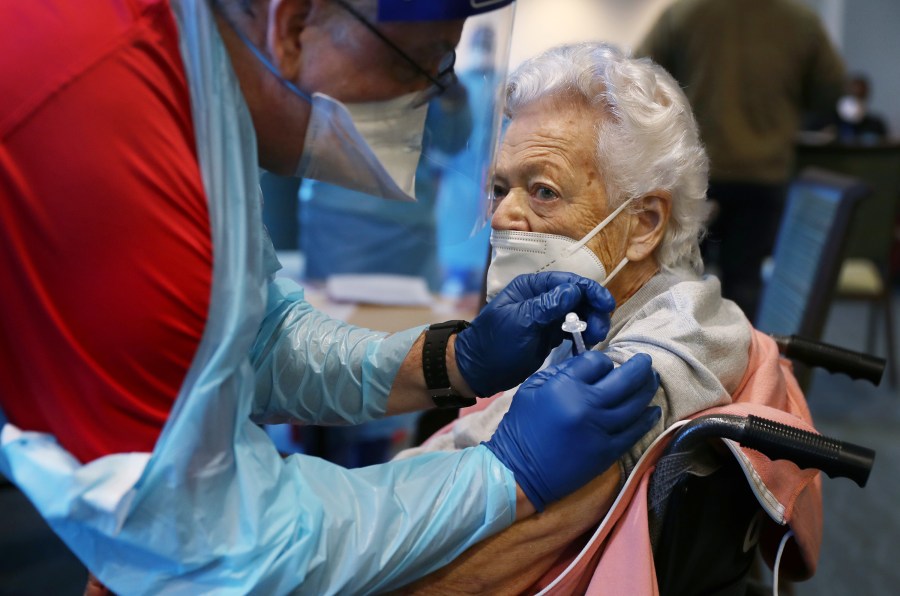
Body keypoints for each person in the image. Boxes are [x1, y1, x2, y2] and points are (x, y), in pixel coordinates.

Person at [0, 0, 663, 593]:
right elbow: (215, 547)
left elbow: (250, 336)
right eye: (423, 67)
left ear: (649, 222)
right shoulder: (106, 125)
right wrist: (503, 474)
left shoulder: (196, 77)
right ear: (291, 26)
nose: (425, 104)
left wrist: (454, 361)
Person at [393, 42, 756, 593]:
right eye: (499, 188)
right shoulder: (580, 325)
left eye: (543, 191)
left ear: (642, 224)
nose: (505, 215)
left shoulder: (679, 334)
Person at [636, 0, 846, 320]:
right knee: (746, 283)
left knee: (676, 279)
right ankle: (741, 364)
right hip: (764, 172)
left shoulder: (685, 13)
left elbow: (639, 76)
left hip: (694, 171)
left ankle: (675, 359)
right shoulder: (800, 20)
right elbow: (832, 89)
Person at [832, 73, 890, 143]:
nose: (856, 101)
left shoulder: (876, 125)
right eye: (852, 94)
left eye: (860, 96)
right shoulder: (830, 124)